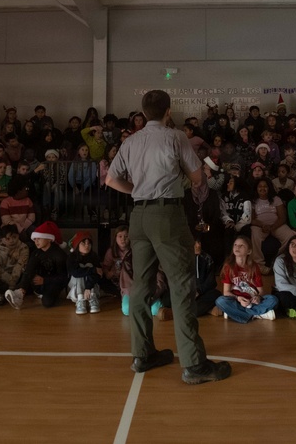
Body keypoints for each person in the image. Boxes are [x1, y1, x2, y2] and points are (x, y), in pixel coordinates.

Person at [105, 90, 231, 385]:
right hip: (168, 217)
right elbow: (199, 177)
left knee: (141, 286)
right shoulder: (175, 137)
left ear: (143, 112)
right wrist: (185, 179)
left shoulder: (131, 141)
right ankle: (193, 364)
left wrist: (137, 190)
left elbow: (111, 179)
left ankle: (142, 354)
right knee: (181, 286)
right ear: (168, 110)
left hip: (138, 217)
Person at [4, 221, 69, 309]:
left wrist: (45, 280)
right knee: (27, 273)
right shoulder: (36, 253)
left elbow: (64, 278)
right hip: (37, 282)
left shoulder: (59, 255)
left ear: (49, 239)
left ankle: (30, 292)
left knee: (47, 302)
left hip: (52, 283)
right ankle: (20, 292)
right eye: (35, 239)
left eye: (39, 238)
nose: (36, 241)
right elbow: (29, 271)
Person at [215, 236, 278, 323]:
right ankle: (257, 314)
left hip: (252, 301)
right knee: (220, 301)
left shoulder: (254, 267)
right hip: (237, 300)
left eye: (241, 246)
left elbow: (261, 291)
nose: (237, 247)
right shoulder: (228, 266)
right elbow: (226, 292)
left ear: (249, 251)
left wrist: (258, 297)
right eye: (235, 245)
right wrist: (238, 298)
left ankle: (239, 314)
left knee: (273, 299)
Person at [67, 231, 103, 315]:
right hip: (75, 287)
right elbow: (74, 273)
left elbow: (98, 275)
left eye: (89, 243)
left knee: (89, 265)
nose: (87, 245)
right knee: (81, 270)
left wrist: (88, 288)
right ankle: (80, 299)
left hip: (91, 287)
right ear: (77, 244)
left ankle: (92, 298)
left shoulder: (94, 256)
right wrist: (93, 270)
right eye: (83, 243)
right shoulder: (71, 257)